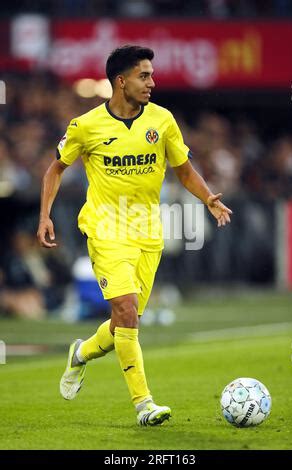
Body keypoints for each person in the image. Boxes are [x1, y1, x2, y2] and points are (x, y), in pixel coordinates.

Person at [37, 45, 232, 426]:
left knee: (123, 324)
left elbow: (184, 169)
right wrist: (44, 215)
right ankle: (144, 405)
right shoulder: (86, 125)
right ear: (120, 81)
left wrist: (208, 197)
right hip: (105, 229)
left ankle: (80, 354)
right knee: (125, 310)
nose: (152, 83)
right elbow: (54, 169)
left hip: (148, 233)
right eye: (144, 76)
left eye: (152, 75)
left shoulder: (163, 120)